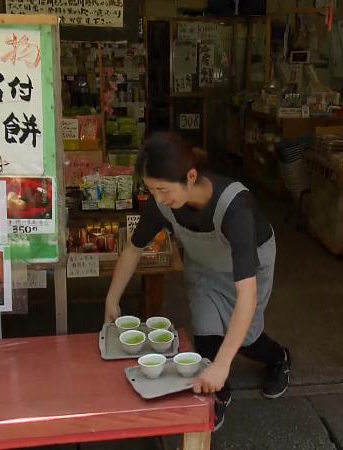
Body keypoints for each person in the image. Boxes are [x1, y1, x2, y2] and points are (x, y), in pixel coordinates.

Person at [104, 132, 290, 431]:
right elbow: (133, 248)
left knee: (246, 339)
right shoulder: (162, 203)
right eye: (152, 190)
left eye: (163, 190)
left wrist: (223, 364)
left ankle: (279, 358)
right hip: (203, 267)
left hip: (247, 270)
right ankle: (215, 395)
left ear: (191, 177)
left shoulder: (235, 206)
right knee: (205, 338)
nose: (158, 199)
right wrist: (111, 300)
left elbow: (247, 296)